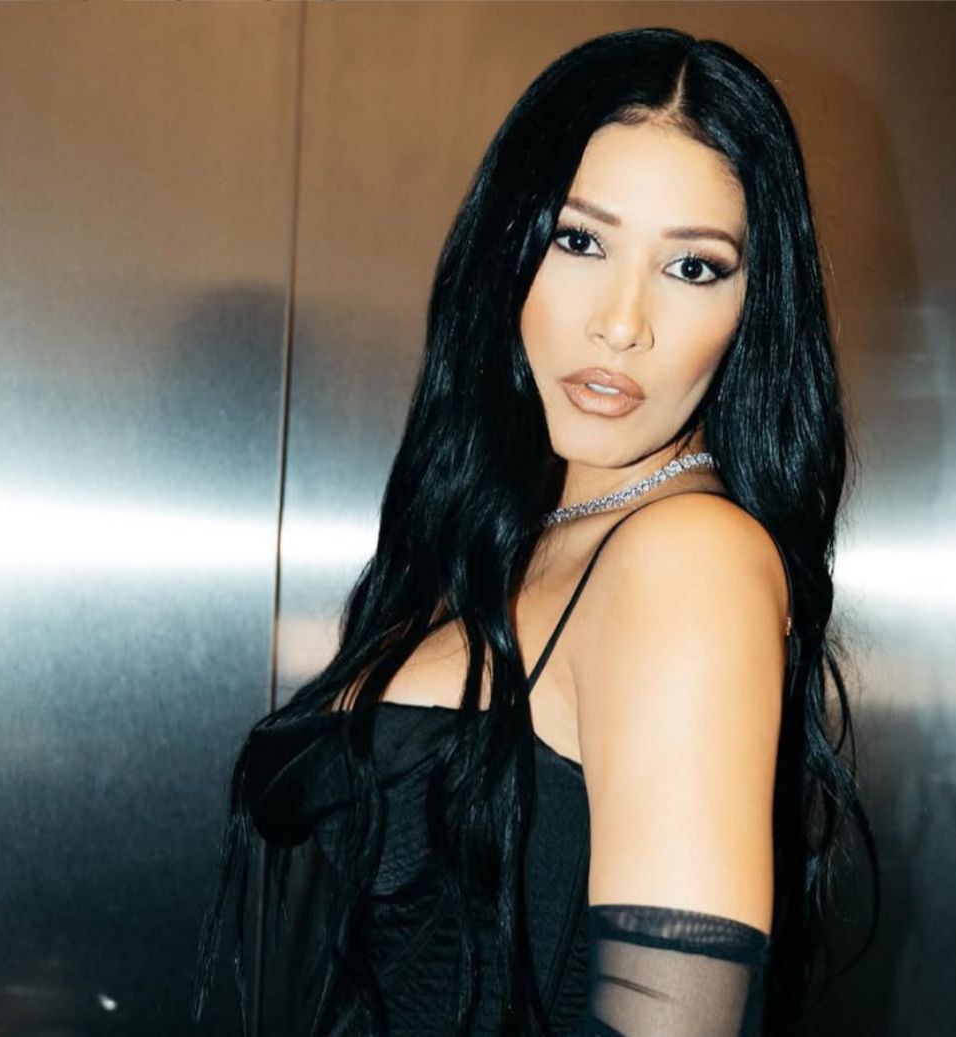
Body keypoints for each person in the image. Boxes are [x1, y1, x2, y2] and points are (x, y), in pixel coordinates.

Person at [193, 25, 877, 1037]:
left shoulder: (687, 559)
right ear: (509, 245)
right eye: (580, 240)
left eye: (694, 267)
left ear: (753, 309)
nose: (622, 322)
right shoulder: (522, 528)